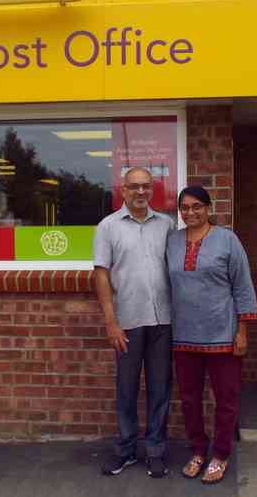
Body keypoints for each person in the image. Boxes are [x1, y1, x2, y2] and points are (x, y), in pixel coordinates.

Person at [166, 185, 257, 484]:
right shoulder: (172, 241)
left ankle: (220, 455)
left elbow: (242, 286)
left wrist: (241, 331)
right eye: (184, 207)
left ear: (208, 208)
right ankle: (197, 450)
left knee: (226, 399)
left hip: (222, 334)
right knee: (189, 399)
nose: (190, 212)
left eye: (196, 206)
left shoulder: (227, 240)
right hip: (184, 336)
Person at [93, 167, 175, 478]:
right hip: (127, 321)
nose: (140, 192)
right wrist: (111, 322)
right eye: (134, 187)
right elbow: (101, 274)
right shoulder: (108, 227)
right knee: (126, 390)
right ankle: (126, 450)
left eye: (145, 187)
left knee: (160, 389)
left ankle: (155, 450)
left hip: (163, 321)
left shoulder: (166, 225)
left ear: (151, 190)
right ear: (123, 191)